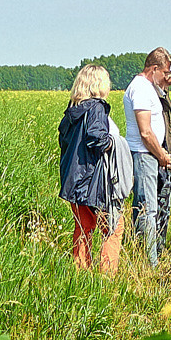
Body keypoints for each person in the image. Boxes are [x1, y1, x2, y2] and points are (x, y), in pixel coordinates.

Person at [57, 64, 124, 274]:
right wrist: (114, 144)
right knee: (113, 227)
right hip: (94, 181)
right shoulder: (96, 107)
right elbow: (97, 138)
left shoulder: (72, 111)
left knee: (83, 228)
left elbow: (64, 142)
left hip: (73, 181)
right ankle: (107, 276)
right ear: (99, 84)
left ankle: (80, 273)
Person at [121, 49, 171, 269]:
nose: (167, 76)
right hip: (145, 155)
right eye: (165, 71)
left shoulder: (147, 88)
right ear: (154, 69)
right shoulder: (142, 89)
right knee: (148, 209)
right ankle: (149, 261)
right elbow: (145, 132)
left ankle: (142, 254)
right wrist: (161, 154)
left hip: (148, 155)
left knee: (145, 207)